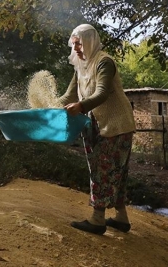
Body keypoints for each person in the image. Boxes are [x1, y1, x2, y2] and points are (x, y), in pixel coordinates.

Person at [57, 23, 136, 235]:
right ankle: (121, 218)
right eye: (74, 45)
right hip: (96, 126)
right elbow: (69, 96)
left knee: (102, 172)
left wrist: (81, 106)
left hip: (116, 125)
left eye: (80, 44)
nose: (76, 49)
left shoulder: (104, 62)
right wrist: (48, 108)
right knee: (113, 172)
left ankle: (98, 220)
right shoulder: (80, 66)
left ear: (90, 42)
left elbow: (101, 93)